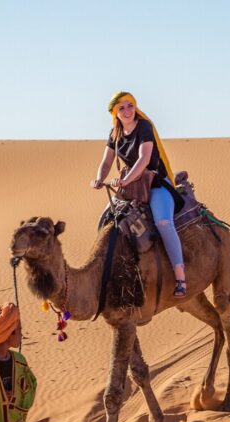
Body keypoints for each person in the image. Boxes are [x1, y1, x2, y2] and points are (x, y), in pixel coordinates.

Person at [91, 91, 187, 297]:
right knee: (106, 220)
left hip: (156, 183)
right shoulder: (114, 134)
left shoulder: (144, 127)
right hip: (132, 187)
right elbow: (107, 162)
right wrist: (99, 178)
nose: (127, 111)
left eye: (130, 105)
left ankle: (180, 277)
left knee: (163, 223)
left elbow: (144, 158)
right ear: (115, 113)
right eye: (121, 108)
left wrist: (125, 180)